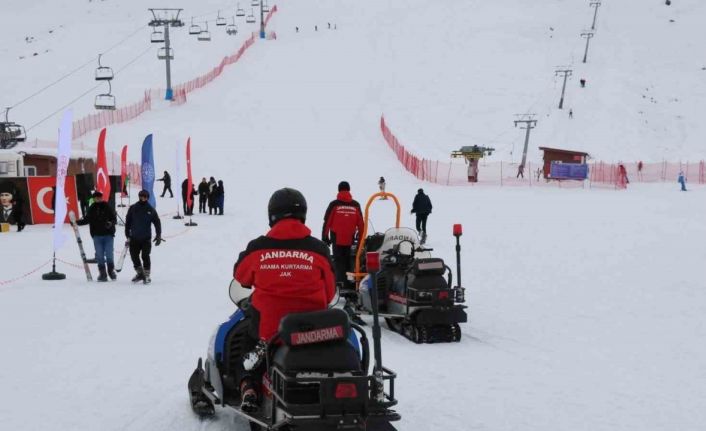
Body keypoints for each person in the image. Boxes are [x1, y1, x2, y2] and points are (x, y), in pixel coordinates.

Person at [233, 188, 335, 412]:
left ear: (272, 216)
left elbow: (240, 275)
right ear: (303, 215)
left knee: (248, 347)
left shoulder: (258, 248)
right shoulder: (319, 249)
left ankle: (249, 386)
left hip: (270, 334)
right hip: (314, 333)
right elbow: (329, 293)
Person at [322, 181, 364, 286]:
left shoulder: (334, 204)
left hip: (336, 238)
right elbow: (361, 225)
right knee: (349, 260)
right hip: (350, 238)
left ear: (339, 190)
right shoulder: (356, 205)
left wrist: (325, 237)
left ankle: (339, 283)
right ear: (349, 190)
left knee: (338, 260)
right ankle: (350, 282)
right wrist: (361, 241)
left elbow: (327, 222)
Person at [76, 191, 117, 281]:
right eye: (96, 197)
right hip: (97, 236)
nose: (98, 199)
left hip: (108, 235)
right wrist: (76, 222)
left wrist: (110, 223)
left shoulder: (107, 206)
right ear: (94, 199)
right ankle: (102, 273)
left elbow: (114, 218)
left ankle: (111, 271)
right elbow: (86, 219)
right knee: (99, 255)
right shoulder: (92, 208)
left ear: (102, 198)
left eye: (100, 197)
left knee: (109, 254)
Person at [125, 190, 163, 284]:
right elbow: (128, 221)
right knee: (134, 256)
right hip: (134, 237)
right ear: (139, 196)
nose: (143, 198)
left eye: (145, 196)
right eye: (141, 196)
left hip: (146, 238)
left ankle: (146, 274)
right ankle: (140, 273)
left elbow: (157, 222)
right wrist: (127, 233)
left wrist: (158, 235)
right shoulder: (133, 208)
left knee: (145, 256)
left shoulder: (150, 209)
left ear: (147, 198)